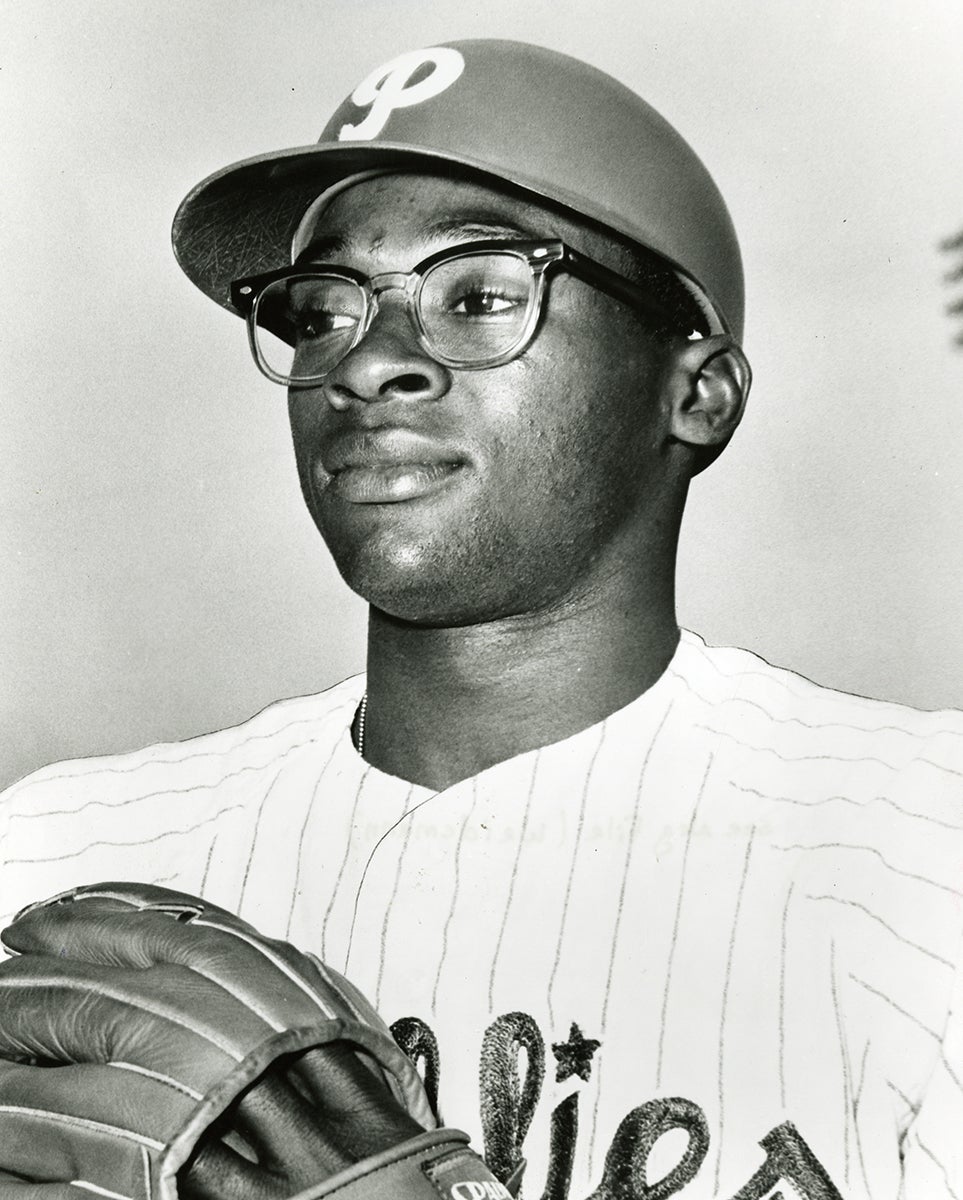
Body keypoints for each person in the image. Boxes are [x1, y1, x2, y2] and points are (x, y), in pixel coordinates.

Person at [1, 38, 961, 1200]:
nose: (367, 365)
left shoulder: (921, 853)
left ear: (696, 393)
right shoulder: (63, 855)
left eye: (483, 293)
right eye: (318, 313)